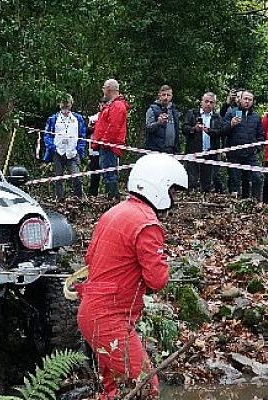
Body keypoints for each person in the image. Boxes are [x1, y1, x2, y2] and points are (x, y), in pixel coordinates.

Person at [76, 153, 188, 400]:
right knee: (146, 387)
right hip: (109, 318)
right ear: (160, 185)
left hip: (92, 313)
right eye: (173, 191)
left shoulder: (115, 211)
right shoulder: (148, 224)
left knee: (114, 392)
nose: (174, 199)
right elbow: (157, 280)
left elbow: (90, 260)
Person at [221, 90, 264, 200]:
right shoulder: (231, 112)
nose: (247, 101)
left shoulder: (256, 117)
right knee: (234, 180)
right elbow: (222, 131)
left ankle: (254, 201)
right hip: (234, 153)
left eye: (250, 99)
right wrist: (231, 124)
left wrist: (257, 148)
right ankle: (233, 204)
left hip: (250, 154)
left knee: (257, 176)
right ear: (240, 100)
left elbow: (261, 135)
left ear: (253, 102)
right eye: (245, 99)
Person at [92, 79, 131, 199]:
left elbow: (113, 126)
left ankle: (113, 198)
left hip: (110, 146)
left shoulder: (118, 106)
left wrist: (104, 141)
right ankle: (111, 196)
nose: (103, 91)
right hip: (106, 145)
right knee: (107, 172)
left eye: (104, 88)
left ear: (109, 89)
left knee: (110, 173)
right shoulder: (112, 105)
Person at [43, 94, 86, 200]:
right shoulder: (53, 119)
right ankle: (60, 199)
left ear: (71, 105)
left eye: (67, 106)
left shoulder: (78, 118)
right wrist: (53, 148)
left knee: (76, 177)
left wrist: (79, 149)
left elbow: (82, 135)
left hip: (72, 152)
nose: (65, 108)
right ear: (60, 105)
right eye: (63, 106)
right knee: (59, 178)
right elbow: (47, 135)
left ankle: (79, 198)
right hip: (58, 152)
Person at [182, 92, 224, 192]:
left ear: (214, 104)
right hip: (194, 151)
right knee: (192, 180)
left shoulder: (217, 117)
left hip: (210, 152)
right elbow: (184, 128)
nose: (208, 104)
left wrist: (209, 131)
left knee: (207, 182)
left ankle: (205, 201)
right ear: (201, 102)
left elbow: (220, 132)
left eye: (211, 102)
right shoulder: (192, 113)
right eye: (206, 101)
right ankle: (190, 200)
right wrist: (194, 129)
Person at [144, 85, 180, 154]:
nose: (166, 97)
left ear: (171, 96)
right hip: (156, 150)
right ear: (159, 95)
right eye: (163, 95)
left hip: (172, 150)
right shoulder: (152, 109)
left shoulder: (174, 111)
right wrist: (158, 123)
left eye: (168, 95)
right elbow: (148, 128)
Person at [87, 97, 108, 197]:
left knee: (108, 173)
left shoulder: (111, 117)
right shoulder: (93, 118)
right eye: (101, 104)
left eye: (105, 104)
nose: (103, 106)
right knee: (94, 174)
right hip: (94, 150)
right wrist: (91, 128)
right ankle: (92, 195)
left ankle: (108, 196)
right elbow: (86, 133)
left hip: (107, 149)